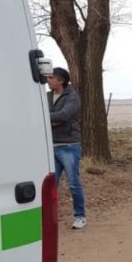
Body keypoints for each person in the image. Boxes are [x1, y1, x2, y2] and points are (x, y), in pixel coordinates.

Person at [47, 67, 87, 230]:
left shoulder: (73, 97)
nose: (48, 80)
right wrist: (54, 119)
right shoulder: (47, 96)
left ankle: (80, 216)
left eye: (51, 77)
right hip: (50, 146)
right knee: (50, 186)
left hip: (69, 146)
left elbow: (64, 115)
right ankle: (49, 219)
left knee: (73, 183)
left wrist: (45, 116)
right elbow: (57, 116)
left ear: (61, 80)